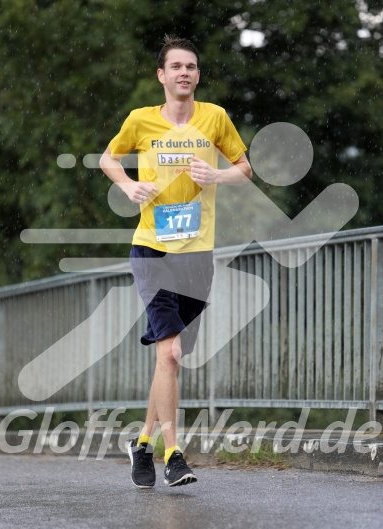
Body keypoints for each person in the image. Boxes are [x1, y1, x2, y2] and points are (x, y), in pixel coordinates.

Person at [100, 35, 252, 488]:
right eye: (176, 66)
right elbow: (109, 159)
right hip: (152, 249)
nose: (184, 72)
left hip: (197, 254)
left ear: (197, 75)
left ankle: (141, 443)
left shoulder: (215, 118)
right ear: (162, 76)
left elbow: (245, 170)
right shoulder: (140, 121)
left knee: (171, 360)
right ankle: (174, 455)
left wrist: (217, 174)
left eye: (191, 66)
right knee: (170, 350)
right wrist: (129, 187)